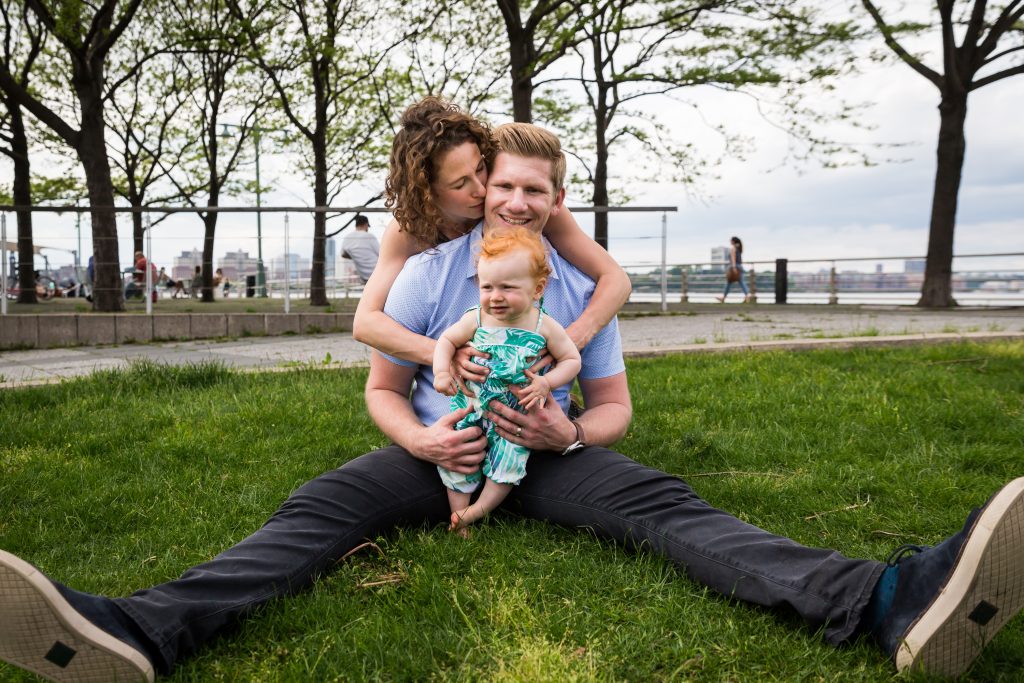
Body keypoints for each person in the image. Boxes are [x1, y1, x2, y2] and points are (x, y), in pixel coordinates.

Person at [1, 123, 1022, 683]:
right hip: (433, 448)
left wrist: (570, 427)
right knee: (312, 512)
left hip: (553, 452)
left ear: (557, 200)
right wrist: (419, 432)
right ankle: (133, 631)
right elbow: (379, 384)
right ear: (485, 192)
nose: (520, 203)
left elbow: (614, 406)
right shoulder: (432, 273)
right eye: (506, 188)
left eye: (540, 191)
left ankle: (888, 600)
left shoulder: (578, 292)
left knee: (668, 507)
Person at [352, 96, 631, 369]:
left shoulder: (527, 209)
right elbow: (366, 323)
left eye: (480, 169)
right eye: (461, 183)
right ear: (429, 193)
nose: (482, 189)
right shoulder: (408, 232)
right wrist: (444, 353)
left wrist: (572, 340)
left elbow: (615, 278)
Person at [432, 227, 581, 532]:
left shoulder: (544, 325)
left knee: (509, 463)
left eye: (508, 288)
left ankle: (477, 511)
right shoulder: (476, 317)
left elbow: (571, 360)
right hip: (471, 407)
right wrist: (442, 372)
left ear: (537, 289)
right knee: (458, 458)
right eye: (487, 287)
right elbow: (446, 341)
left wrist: (546, 383)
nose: (495, 297)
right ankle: (458, 516)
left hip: (516, 418)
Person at [341, 214, 380, 284]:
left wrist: (356, 255)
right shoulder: (369, 236)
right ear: (366, 224)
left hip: (364, 277)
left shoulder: (348, 238)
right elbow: (381, 254)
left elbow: (343, 254)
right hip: (378, 273)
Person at [716, 236, 750, 303]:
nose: (730, 241)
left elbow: (733, 258)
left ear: (733, 241)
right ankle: (747, 297)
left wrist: (734, 267)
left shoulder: (733, 248)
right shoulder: (739, 248)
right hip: (740, 267)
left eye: (731, 240)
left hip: (734, 267)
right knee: (741, 282)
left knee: (729, 283)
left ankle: (723, 298)